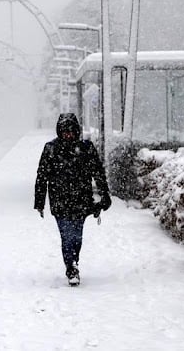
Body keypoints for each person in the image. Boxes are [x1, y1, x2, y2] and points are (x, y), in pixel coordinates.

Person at [33, 112, 111, 286]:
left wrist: (105, 195)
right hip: (60, 202)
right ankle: (71, 267)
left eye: (71, 131)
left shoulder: (86, 148)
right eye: (64, 131)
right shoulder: (51, 149)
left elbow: (98, 173)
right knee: (67, 235)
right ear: (59, 132)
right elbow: (42, 177)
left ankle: (73, 260)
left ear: (77, 131)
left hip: (82, 201)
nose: (68, 135)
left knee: (77, 237)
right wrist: (39, 202)